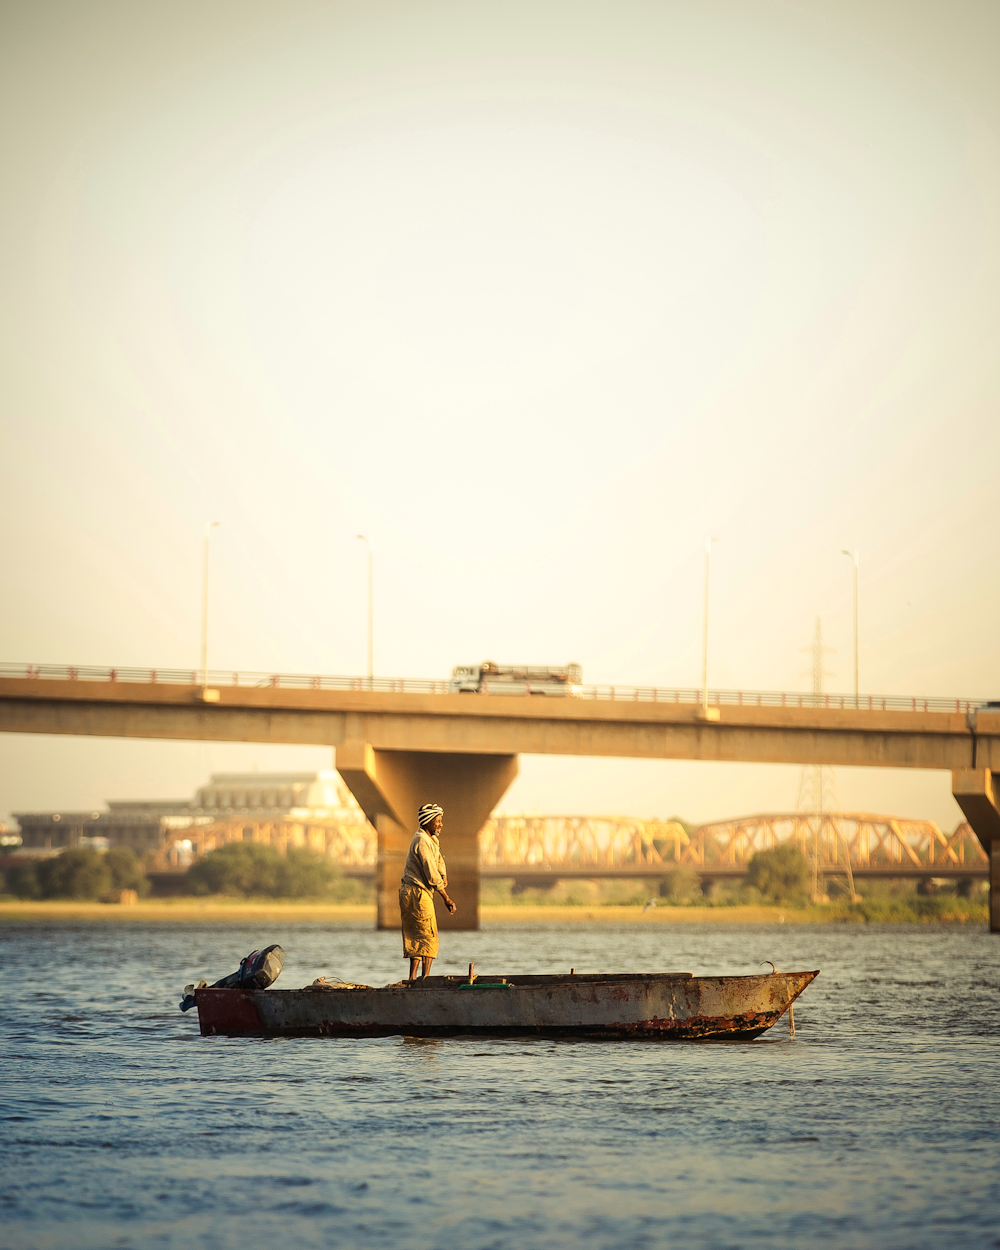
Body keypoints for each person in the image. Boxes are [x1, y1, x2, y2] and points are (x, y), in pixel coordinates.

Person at [399, 802, 457, 981]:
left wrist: (444, 875)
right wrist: (446, 898)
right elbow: (430, 872)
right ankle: (424, 979)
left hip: (410, 892)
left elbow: (438, 860)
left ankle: (413, 979)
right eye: (438, 821)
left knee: (416, 935)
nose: (440, 824)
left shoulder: (429, 839)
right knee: (428, 935)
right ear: (428, 821)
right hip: (417, 893)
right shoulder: (422, 841)